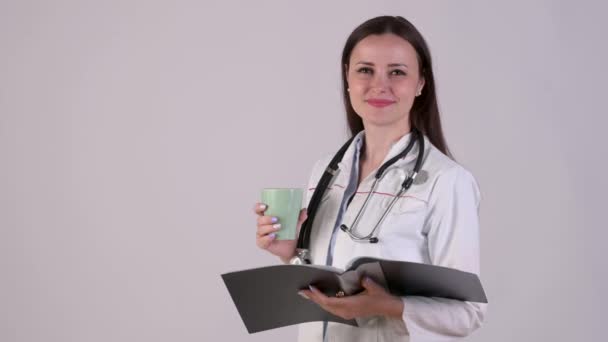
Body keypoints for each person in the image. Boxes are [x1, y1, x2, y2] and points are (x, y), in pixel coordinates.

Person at [253, 16, 487, 341]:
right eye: (365, 70)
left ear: (421, 83)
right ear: (347, 77)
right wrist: (290, 253)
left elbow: (469, 312)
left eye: (397, 72)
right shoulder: (325, 171)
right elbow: (324, 280)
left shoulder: (447, 182)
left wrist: (391, 306)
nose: (380, 85)